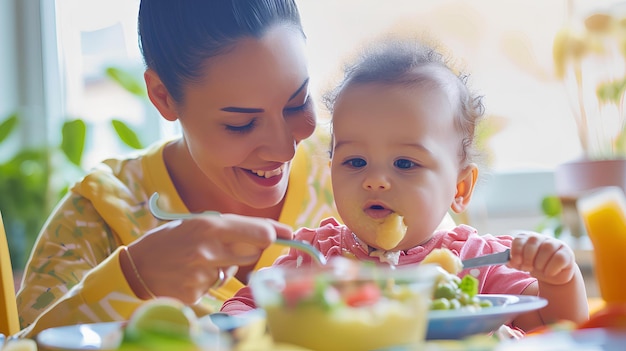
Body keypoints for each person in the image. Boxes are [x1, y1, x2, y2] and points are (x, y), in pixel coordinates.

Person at [14, 0, 339, 338]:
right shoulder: (99, 216)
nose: (284, 148)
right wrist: (129, 282)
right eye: (241, 124)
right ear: (163, 96)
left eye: (298, 103)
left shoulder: (359, 169)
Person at [220, 36, 589, 332]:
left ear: (459, 188)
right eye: (355, 162)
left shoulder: (477, 263)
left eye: (405, 163)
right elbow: (242, 311)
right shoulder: (313, 257)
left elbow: (553, 324)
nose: (376, 180)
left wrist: (560, 278)